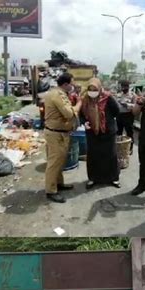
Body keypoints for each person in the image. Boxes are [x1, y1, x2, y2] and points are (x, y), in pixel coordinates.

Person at [44, 72, 82, 204]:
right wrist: (79, 104)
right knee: (54, 162)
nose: (73, 86)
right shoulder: (57, 95)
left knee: (59, 160)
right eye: (71, 83)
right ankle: (51, 190)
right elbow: (68, 113)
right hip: (56, 134)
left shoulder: (59, 93)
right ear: (65, 84)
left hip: (59, 133)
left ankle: (58, 184)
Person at [80, 78, 121, 189]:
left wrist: (105, 119)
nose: (92, 91)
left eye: (95, 89)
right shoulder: (84, 100)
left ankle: (114, 178)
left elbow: (117, 110)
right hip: (92, 132)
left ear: (99, 88)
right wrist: (85, 122)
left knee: (111, 155)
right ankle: (93, 178)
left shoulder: (108, 98)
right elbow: (80, 115)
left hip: (108, 132)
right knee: (93, 156)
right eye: (90, 89)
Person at [116, 80, 136, 154]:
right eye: (122, 86)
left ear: (128, 87)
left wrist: (127, 105)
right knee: (118, 133)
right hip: (119, 116)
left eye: (125, 86)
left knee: (129, 132)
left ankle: (130, 149)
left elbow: (135, 105)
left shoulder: (132, 95)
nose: (124, 88)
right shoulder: (118, 95)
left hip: (128, 115)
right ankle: (119, 148)